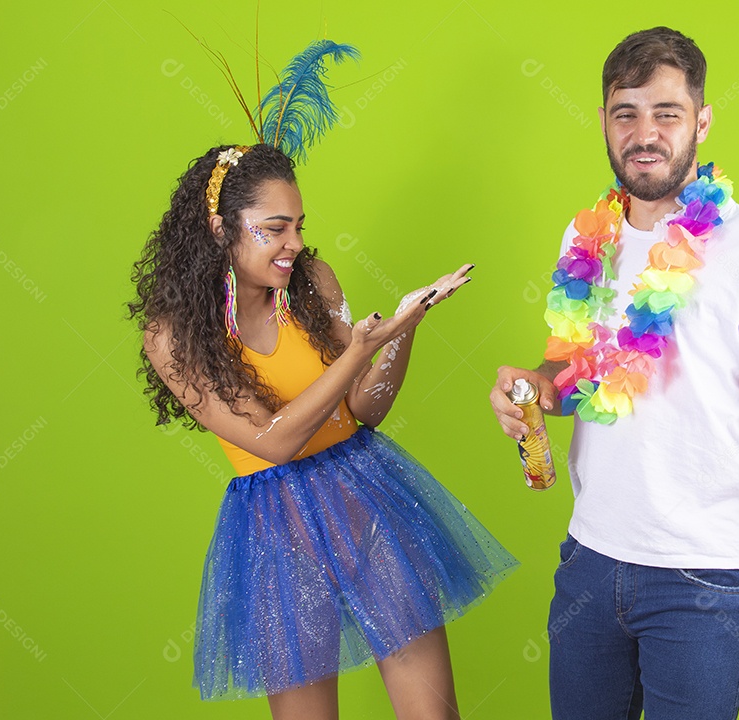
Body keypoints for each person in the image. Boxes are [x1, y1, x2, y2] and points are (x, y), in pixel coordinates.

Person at [128, 42, 516, 720]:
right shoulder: (172, 335)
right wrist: (362, 347)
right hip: (274, 532)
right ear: (222, 229)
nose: (294, 244)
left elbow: (363, 410)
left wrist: (403, 328)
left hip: (367, 501)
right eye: (275, 228)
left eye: (299, 226)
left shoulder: (311, 283)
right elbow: (273, 442)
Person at [489, 27, 739, 719]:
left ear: (702, 122)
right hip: (590, 561)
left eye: (666, 113)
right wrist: (529, 388)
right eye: (626, 113)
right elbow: (571, 371)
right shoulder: (587, 237)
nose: (644, 133)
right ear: (603, 122)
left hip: (707, 581)